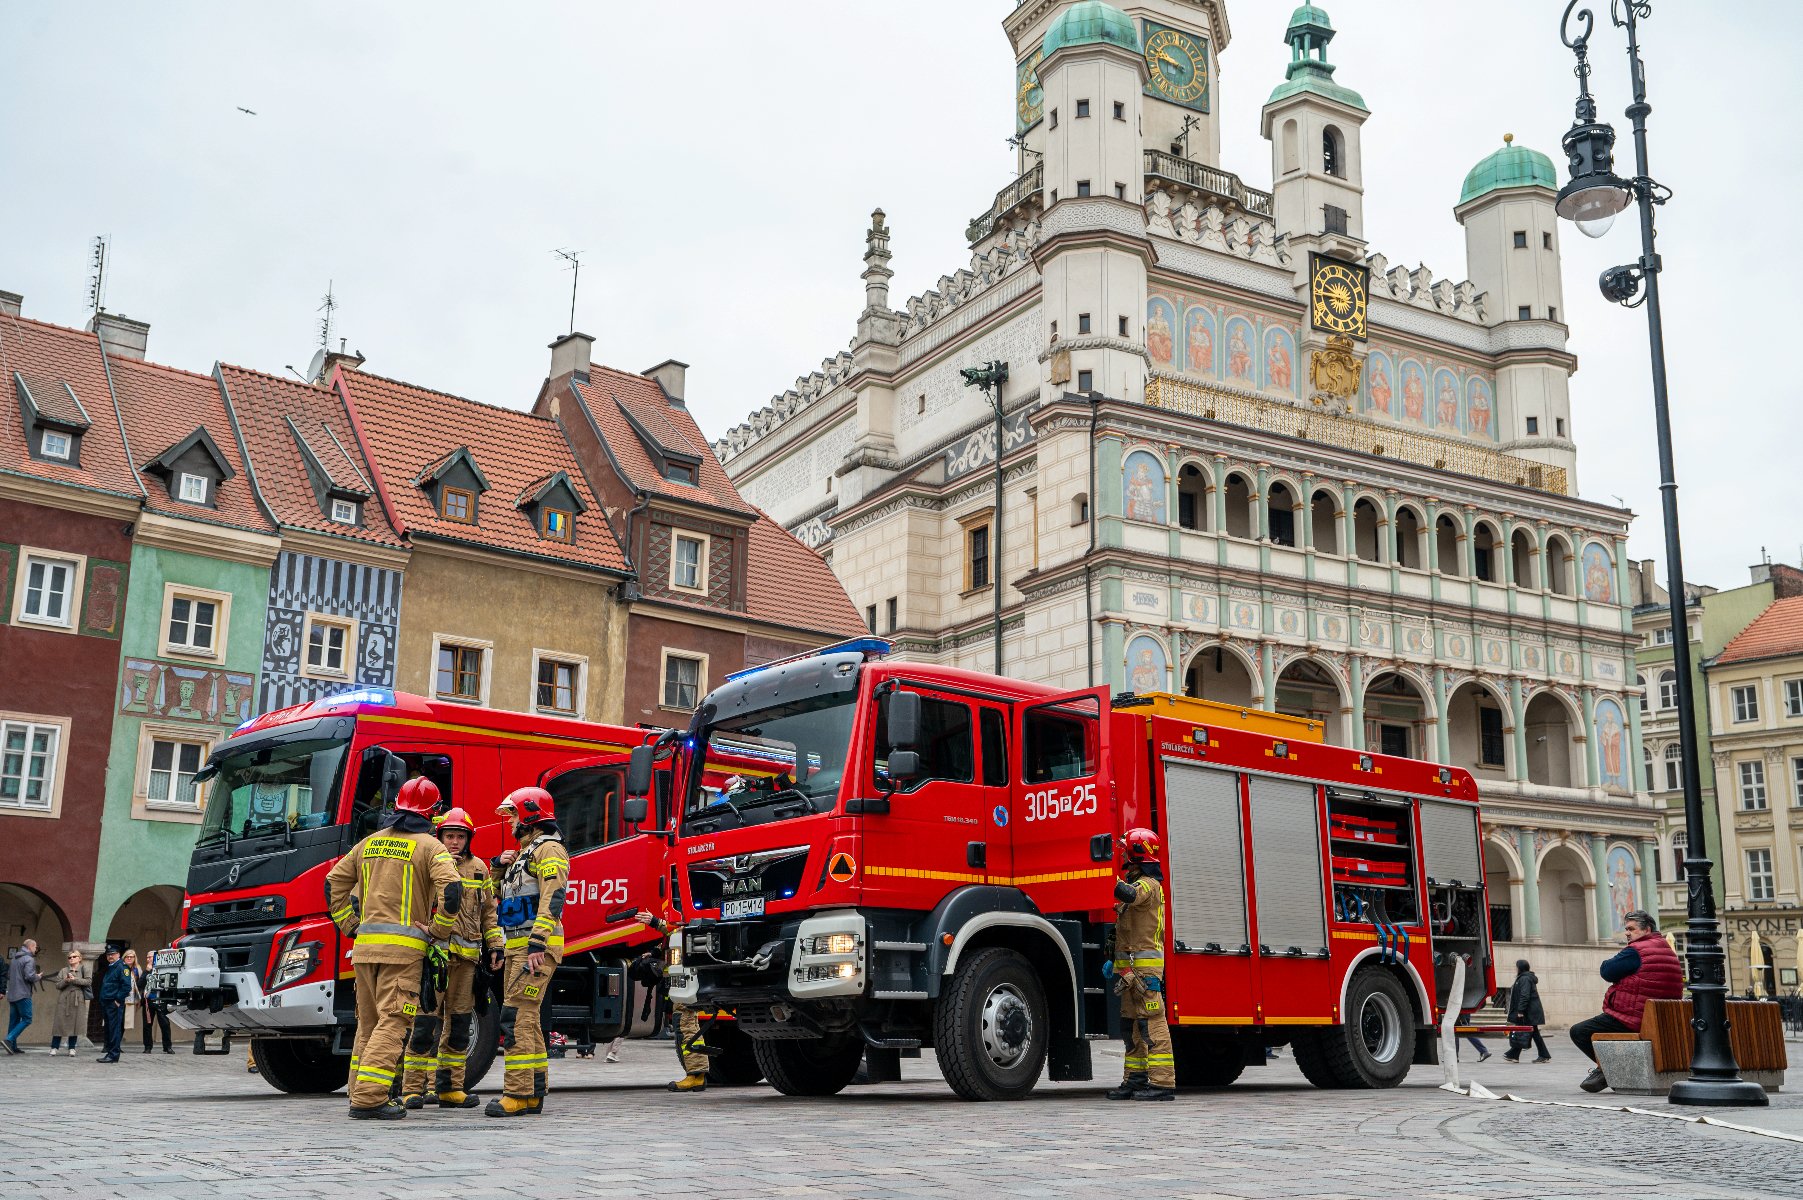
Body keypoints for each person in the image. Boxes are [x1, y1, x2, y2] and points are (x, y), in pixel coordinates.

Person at [325, 776, 464, 1120]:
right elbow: (453, 892)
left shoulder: (368, 843)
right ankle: (370, 1098)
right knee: (394, 1021)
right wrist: (437, 930)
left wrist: (348, 924)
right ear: (433, 814)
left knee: (369, 1024)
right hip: (403, 954)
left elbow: (333, 883)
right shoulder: (431, 848)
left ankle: (358, 1090)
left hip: (365, 950)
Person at [400, 806, 503, 1110]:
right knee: (423, 1025)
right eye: (449, 835)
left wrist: (495, 944)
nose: (454, 842)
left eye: (460, 836)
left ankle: (449, 1088)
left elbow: (488, 913)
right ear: (439, 836)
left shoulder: (480, 869)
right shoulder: (426, 863)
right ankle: (411, 1089)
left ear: (468, 838)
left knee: (459, 1025)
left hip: (467, 960)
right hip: (433, 960)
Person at [487, 786, 569, 1117]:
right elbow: (494, 898)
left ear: (531, 816)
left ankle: (518, 1093)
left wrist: (538, 943)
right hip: (518, 948)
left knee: (516, 1016)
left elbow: (555, 897)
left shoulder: (548, 849)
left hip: (534, 950)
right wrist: (496, 867)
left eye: (515, 816)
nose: (510, 823)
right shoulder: (524, 854)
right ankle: (533, 1091)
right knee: (528, 1017)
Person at [1571, 910, 1683, 1093]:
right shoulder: (1665, 948)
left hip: (1634, 1018)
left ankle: (1608, 1071)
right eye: (1626, 929)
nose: (1627, 933)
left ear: (1646, 929)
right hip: (1659, 1018)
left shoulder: (1636, 951)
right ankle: (1606, 1070)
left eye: (1631, 929)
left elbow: (1607, 971)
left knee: (1580, 1031)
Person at [1105, 828, 1175, 1101]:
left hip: (1144, 972)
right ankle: (1134, 1080)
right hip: (1128, 972)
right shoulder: (1137, 882)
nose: (1122, 853)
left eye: (1126, 849)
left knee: (1152, 1024)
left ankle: (1162, 1084)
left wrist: (1099, 872)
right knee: (1130, 1028)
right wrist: (1112, 960)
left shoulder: (1148, 885)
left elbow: (1128, 894)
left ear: (1137, 853)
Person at [635, 908, 709, 1093]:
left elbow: (678, 933)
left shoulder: (689, 920)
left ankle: (697, 1075)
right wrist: (655, 952)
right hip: (681, 982)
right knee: (683, 1025)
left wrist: (655, 922)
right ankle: (694, 1074)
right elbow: (672, 940)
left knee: (686, 1024)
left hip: (687, 981)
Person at [1501, 959, 1551, 1063]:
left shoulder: (1524, 979)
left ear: (1520, 968)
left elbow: (1525, 995)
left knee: (1526, 1031)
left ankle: (1514, 1054)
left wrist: (1520, 1010)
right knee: (1530, 1032)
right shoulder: (1525, 978)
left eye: (1516, 967)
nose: (1515, 969)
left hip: (1529, 1012)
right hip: (1529, 1011)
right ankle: (1516, 1054)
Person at [4, 938, 44, 1053]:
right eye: (35, 947)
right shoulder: (29, 959)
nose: (36, 949)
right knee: (27, 1019)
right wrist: (38, 976)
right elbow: (29, 977)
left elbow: (9, 975)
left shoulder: (14, 959)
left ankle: (12, 1047)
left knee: (14, 1021)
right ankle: (9, 1039)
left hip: (12, 994)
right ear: (31, 947)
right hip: (23, 994)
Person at [50, 949, 90, 1056]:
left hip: (78, 998)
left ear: (79, 958)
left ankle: (72, 1048)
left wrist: (74, 979)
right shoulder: (63, 970)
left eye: (74, 957)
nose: (71, 959)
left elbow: (88, 981)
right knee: (59, 1023)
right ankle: (54, 1047)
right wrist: (66, 980)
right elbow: (57, 985)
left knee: (75, 1024)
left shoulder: (84, 969)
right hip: (64, 998)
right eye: (69, 957)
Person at [96, 946, 129, 1063]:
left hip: (114, 1003)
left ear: (119, 955)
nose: (110, 956)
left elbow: (126, 986)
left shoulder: (122, 967)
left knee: (114, 1029)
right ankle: (110, 1053)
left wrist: (118, 1000)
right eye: (108, 954)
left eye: (113, 954)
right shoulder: (112, 967)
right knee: (109, 1029)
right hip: (107, 1002)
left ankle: (113, 1054)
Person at [135, 951, 173, 1053]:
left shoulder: (164, 969)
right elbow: (140, 984)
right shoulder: (147, 970)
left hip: (161, 1000)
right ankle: (147, 1047)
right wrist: (147, 971)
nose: (148, 959)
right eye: (147, 957)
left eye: (150, 957)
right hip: (149, 1001)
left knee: (165, 1024)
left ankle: (167, 1047)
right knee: (147, 1025)